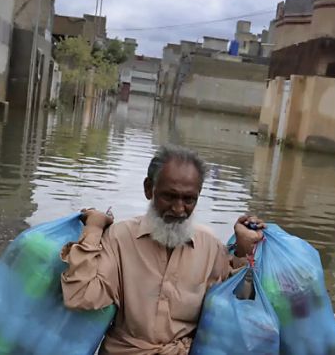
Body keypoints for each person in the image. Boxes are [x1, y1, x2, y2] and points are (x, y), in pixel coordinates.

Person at [60, 144, 266, 355]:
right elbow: (81, 296)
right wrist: (93, 228)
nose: (178, 209)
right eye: (169, 196)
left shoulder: (211, 248)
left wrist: (243, 250)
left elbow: (236, 313)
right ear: (149, 189)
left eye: (189, 199)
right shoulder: (119, 238)